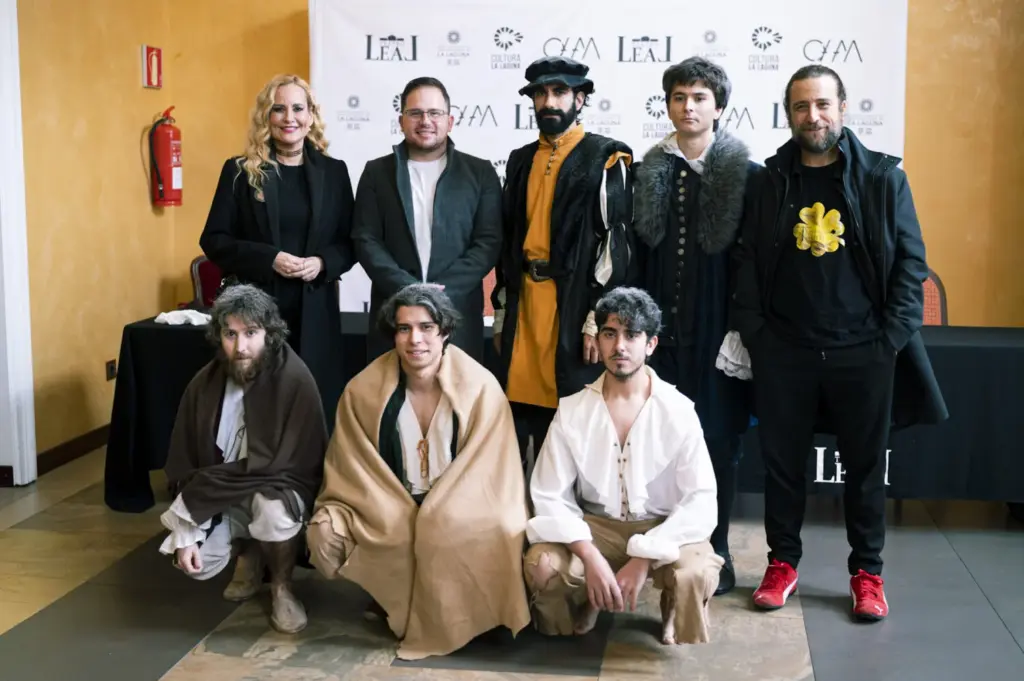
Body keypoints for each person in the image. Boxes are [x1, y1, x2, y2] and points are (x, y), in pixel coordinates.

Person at [730, 65, 947, 620]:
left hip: (864, 351)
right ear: (789, 114)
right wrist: (759, 335)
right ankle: (783, 564)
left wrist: (891, 338)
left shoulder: (882, 179)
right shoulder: (769, 179)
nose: (814, 116)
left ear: (843, 108)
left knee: (866, 467)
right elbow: (748, 261)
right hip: (786, 351)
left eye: (823, 105)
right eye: (802, 107)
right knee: (782, 466)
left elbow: (910, 263)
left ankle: (867, 573)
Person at [306, 283, 531, 660]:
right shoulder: (362, 390)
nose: (416, 340)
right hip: (387, 500)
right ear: (392, 334)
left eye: (426, 327)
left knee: (471, 526)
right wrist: (402, 509)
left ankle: (468, 614)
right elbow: (352, 467)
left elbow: (494, 472)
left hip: (465, 500)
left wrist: (437, 512)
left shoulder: (481, 388)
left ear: (444, 331)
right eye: (404, 328)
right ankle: (396, 599)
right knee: (323, 534)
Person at [523, 287, 723, 646]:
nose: (620, 346)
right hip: (595, 526)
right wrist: (590, 555)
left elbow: (700, 500)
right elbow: (548, 494)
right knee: (542, 566)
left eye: (632, 335)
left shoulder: (678, 411)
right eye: (610, 334)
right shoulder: (573, 410)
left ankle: (673, 605)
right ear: (598, 341)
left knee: (695, 571)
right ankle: (589, 597)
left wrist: (646, 555)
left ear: (650, 344)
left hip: (662, 526)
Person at [632, 57, 758, 595]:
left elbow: (755, 262)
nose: (689, 107)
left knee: (717, 439)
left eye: (700, 98)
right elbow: (635, 254)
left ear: (719, 107)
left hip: (720, 331)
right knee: (661, 441)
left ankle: (719, 549)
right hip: (661, 331)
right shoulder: (647, 171)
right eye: (680, 97)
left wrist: (740, 330)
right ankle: (664, 547)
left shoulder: (749, 176)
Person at [159, 284, 329, 635]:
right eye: (230, 334)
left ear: (270, 333)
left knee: (272, 511)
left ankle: (282, 586)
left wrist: (195, 505)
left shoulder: (294, 379)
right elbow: (185, 459)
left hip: (277, 488)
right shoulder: (204, 385)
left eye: (251, 333)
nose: (240, 347)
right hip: (222, 492)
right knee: (201, 564)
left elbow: (295, 466)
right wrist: (187, 530)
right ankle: (248, 555)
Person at [492, 56, 635, 474]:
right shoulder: (520, 159)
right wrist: (502, 313)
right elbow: (508, 242)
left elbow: (616, 242)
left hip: (573, 308)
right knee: (518, 425)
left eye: (558, 92)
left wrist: (599, 319)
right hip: (524, 308)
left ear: (580, 98)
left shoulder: (607, 156)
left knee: (572, 425)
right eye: (540, 93)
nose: (548, 101)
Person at [199, 74, 355, 428]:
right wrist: (269, 258)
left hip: (315, 311)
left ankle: (310, 479)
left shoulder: (334, 172)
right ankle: (256, 478)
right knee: (259, 407)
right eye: (278, 109)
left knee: (313, 407)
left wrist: (322, 262)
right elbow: (214, 239)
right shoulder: (239, 171)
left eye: (298, 108)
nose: (289, 118)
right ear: (265, 118)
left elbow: (350, 242)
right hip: (257, 310)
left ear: (311, 116)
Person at [353, 77, 502, 363]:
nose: (426, 121)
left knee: (458, 402)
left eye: (434, 113)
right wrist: (408, 289)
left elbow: (488, 242)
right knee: (391, 402)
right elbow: (365, 239)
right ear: (401, 120)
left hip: (457, 315)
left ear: (450, 120)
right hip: (393, 315)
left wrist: (441, 292)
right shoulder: (376, 173)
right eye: (416, 113)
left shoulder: (480, 173)